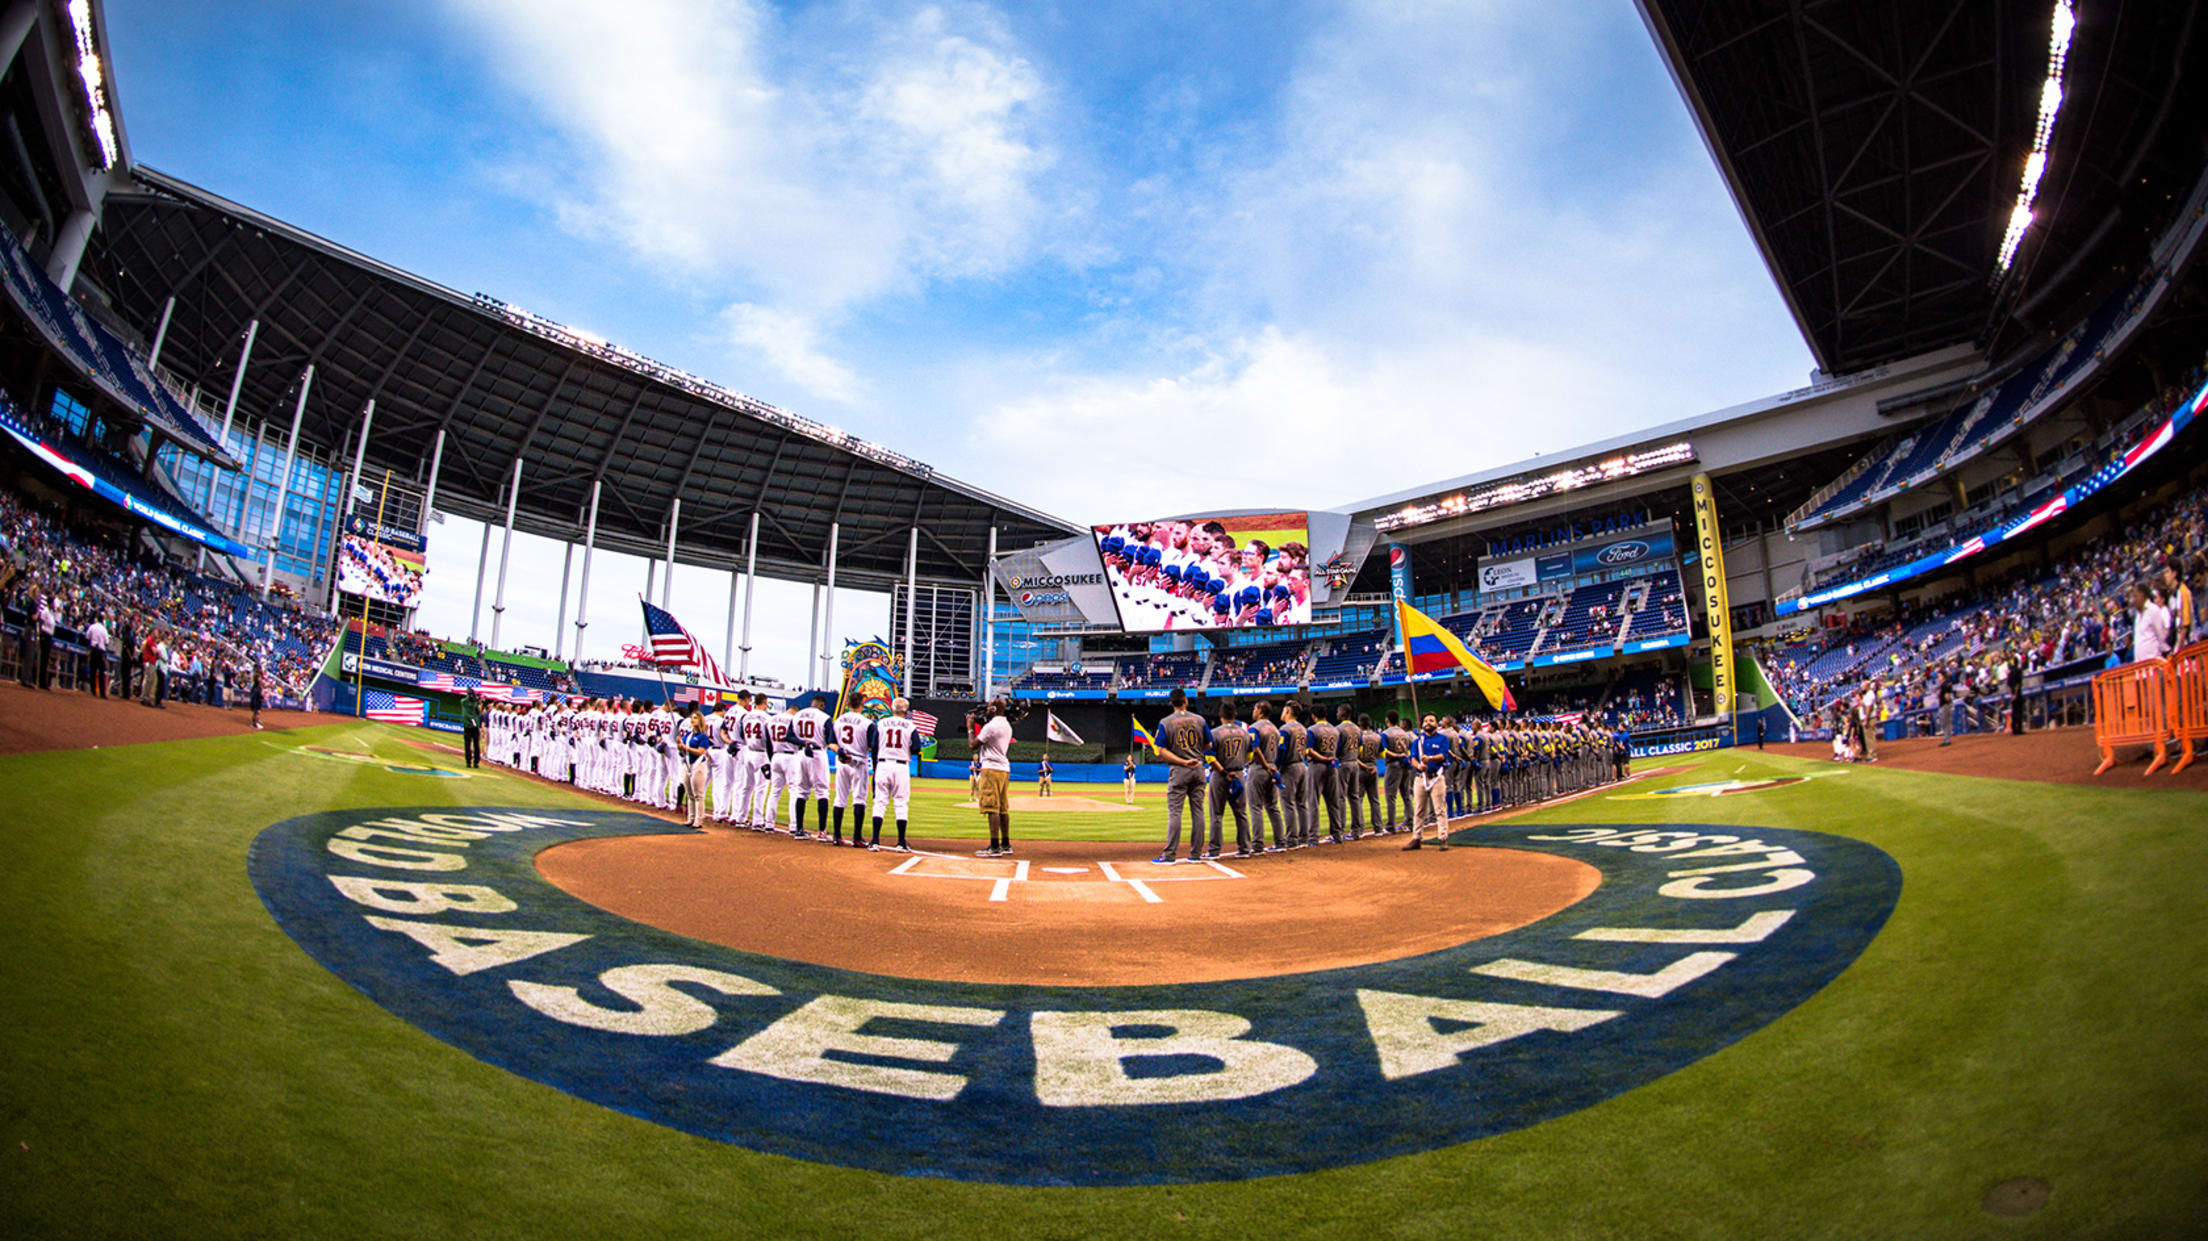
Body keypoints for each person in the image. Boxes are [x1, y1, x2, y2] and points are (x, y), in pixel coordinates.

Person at [1151, 688, 1211, 864]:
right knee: (1198, 812)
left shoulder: (1165, 722)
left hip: (1179, 769)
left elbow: (1161, 751)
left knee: (1175, 813)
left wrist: (1183, 761)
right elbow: (1208, 744)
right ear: (1185, 700)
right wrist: (1194, 753)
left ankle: (1169, 855)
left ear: (1171, 703)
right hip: (1199, 767)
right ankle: (1196, 854)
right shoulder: (1199, 720)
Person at [869, 698, 922, 852]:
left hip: (883, 764)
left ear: (892, 709)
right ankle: (900, 842)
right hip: (900, 766)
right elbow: (916, 748)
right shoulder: (910, 725)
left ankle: (874, 840)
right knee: (900, 803)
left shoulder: (881, 723)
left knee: (879, 802)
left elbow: (874, 746)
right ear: (906, 711)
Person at [1206, 699, 1252, 858]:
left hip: (1220, 775)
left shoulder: (1214, 733)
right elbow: (1250, 756)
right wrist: (1238, 766)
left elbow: (1210, 758)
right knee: (1241, 813)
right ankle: (1245, 848)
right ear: (1236, 715)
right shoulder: (1245, 733)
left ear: (1220, 715)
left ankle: (1214, 850)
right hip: (1239, 773)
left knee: (1217, 814)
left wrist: (1225, 772)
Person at [973, 698, 1015, 857]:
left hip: (991, 768)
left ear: (994, 709)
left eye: (990, 706)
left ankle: (994, 846)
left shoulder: (991, 726)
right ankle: (1005, 844)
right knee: (1003, 808)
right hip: (1004, 768)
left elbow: (973, 745)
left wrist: (971, 728)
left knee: (992, 807)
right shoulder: (1006, 724)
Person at [1403, 713, 1452, 851]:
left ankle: (1442, 838)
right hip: (1420, 778)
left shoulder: (1443, 739)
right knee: (1419, 810)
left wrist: (1429, 758)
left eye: (1431, 720)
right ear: (1422, 724)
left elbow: (1444, 755)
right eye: (1425, 721)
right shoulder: (1418, 741)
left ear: (1437, 724)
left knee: (1440, 810)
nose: (1428, 723)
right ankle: (1416, 838)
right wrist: (1419, 765)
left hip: (1436, 777)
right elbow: (1412, 758)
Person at [829, 699, 873, 845]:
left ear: (848, 705)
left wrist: (840, 750)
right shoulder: (866, 723)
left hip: (842, 761)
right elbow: (872, 746)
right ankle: (857, 837)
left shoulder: (839, 720)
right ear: (861, 705)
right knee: (859, 799)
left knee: (840, 798)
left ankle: (836, 836)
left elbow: (831, 743)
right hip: (859, 761)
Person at [678, 710, 713, 828]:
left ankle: (699, 820)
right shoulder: (688, 735)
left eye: (695, 718)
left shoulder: (702, 736)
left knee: (698, 794)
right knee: (689, 794)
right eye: (692, 718)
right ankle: (690, 818)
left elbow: (701, 751)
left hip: (698, 765)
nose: (692, 720)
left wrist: (686, 748)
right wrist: (680, 746)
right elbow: (682, 750)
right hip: (687, 764)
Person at [2130, 581, 2172, 664]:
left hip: (2153, 664)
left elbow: (2161, 637)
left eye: (2135, 596)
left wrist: (2167, 654)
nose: (2133, 601)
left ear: (2142, 595)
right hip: (2141, 666)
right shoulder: (2138, 616)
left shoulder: (2153, 610)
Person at [83, 613, 108, 698]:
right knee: (101, 672)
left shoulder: (92, 627)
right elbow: (106, 642)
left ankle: (93, 690)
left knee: (93, 670)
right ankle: (102, 693)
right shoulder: (104, 629)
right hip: (101, 650)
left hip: (93, 649)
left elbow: (87, 637)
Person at [460, 689, 482, 768]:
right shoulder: (473, 703)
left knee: (468, 744)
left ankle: (469, 762)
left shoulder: (464, 702)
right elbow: (478, 712)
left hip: (468, 725)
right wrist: (476, 700)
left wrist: (473, 698)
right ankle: (476, 762)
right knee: (476, 744)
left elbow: (465, 700)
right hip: (474, 725)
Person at [249, 660, 265, 730]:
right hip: (256, 699)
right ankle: (254, 723)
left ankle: (256, 721)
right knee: (256, 712)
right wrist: (261, 697)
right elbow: (257, 694)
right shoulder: (256, 687)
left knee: (257, 712)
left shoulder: (257, 686)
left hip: (256, 698)